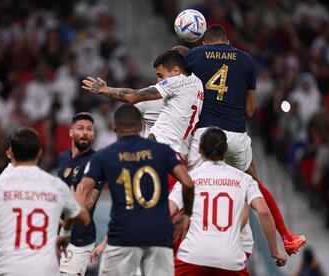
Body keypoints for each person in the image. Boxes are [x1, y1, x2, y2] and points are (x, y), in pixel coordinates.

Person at [183, 24, 306, 255]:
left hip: (205, 136)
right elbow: (250, 110)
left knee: (190, 186)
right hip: (237, 135)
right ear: (227, 42)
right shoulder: (247, 60)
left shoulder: (194, 56)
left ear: (204, 43)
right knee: (253, 184)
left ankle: (193, 241)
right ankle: (286, 237)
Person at [76, 104, 195, 276]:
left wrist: (72, 225)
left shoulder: (104, 156)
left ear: (114, 127)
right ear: (141, 126)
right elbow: (188, 183)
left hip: (123, 235)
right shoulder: (162, 151)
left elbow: (83, 190)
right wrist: (186, 214)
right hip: (159, 235)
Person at [0, 128, 90, 276]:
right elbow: (83, 219)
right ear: (39, 153)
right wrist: (76, 211)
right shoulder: (55, 185)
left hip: (7, 270)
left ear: (11, 153)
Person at [169, 127, 287, 275]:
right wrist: (274, 251)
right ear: (225, 151)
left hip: (193, 256)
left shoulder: (189, 178)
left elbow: (167, 211)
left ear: (199, 150)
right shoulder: (244, 179)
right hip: (230, 259)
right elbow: (264, 212)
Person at [82, 49, 204, 161]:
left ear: (176, 71)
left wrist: (105, 89)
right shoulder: (197, 84)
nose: (159, 81)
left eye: (160, 76)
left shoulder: (176, 82)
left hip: (160, 149)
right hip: (180, 154)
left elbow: (132, 96)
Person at [57, 112, 105, 276]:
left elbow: (89, 203)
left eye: (90, 129)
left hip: (79, 239)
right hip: (56, 236)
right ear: (71, 132)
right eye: (80, 128)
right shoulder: (63, 158)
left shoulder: (98, 161)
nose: (85, 132)